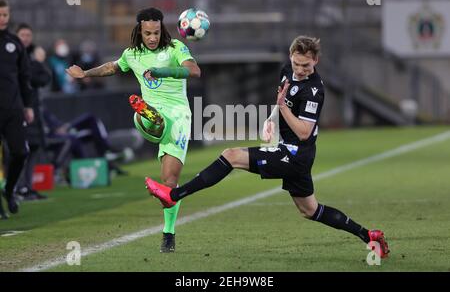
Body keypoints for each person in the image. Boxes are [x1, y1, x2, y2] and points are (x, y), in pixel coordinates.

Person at [146, 36, 390, 258]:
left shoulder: (314, 90)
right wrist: (272, 120)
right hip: (292, 153)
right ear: (290, 57)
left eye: (306, 65)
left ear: (315, 60)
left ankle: (173, 195)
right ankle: (368, 235)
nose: (301, 70)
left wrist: (282, 108)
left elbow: (304, 132)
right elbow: (281, 103)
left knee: (230, 156)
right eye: (297, 64)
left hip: (295, 154)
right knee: (310, 210)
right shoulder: (286, 72)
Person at [66, 7, 201, 252]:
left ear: (162, 30)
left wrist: (161, 71)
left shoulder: (175, 48)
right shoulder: (132, 55)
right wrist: (85, 73)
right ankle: (149, 116)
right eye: (148, 33)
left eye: (157, 32)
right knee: (148, 116)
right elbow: (112, 67)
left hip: (179, 116)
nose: (152, 37)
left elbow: (194, 70)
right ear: (139, 30)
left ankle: (168, 235)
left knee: (169, 183)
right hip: (150, 112)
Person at [0, 0, 34, 216]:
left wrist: (28, 106)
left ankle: (9, 190)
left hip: (13, 108)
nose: (2, 18)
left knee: (20, 152)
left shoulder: (14, 43)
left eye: (5, 14)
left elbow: (24, 77)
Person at [15, 23, 52, 200]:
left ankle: (26, 186)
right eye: (23, 35)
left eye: (28, 35)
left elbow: (44, 78)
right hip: (15, 109)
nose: (26, 38)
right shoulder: (12, 56)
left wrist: (38, 63)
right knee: (18, 150)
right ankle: (17, 186)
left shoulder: (30, 58)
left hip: (32, 108)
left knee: (34, 147)